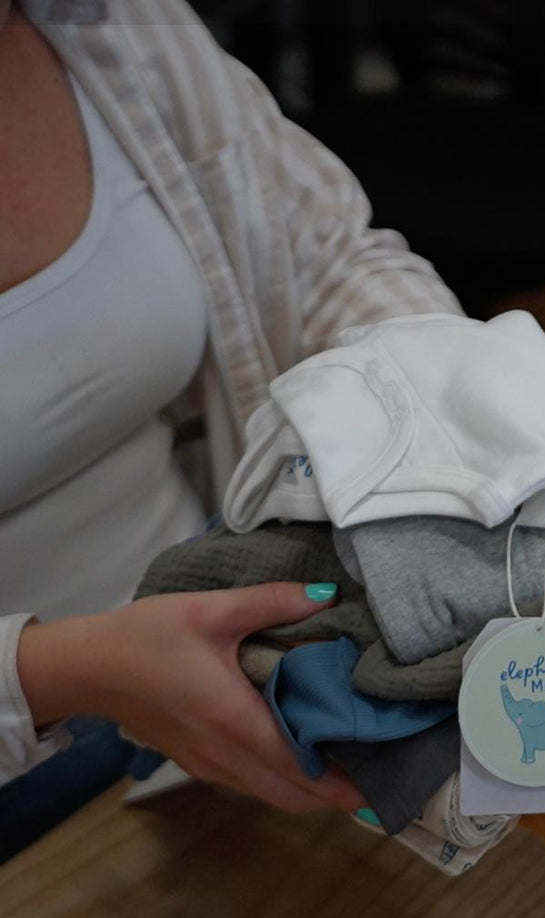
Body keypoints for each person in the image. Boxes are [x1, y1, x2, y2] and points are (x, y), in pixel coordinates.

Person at [0, 0, 463, 833]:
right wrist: (63, 671)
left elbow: (325, 261)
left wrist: (466, 407)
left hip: (232, 671)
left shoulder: (111, 24)